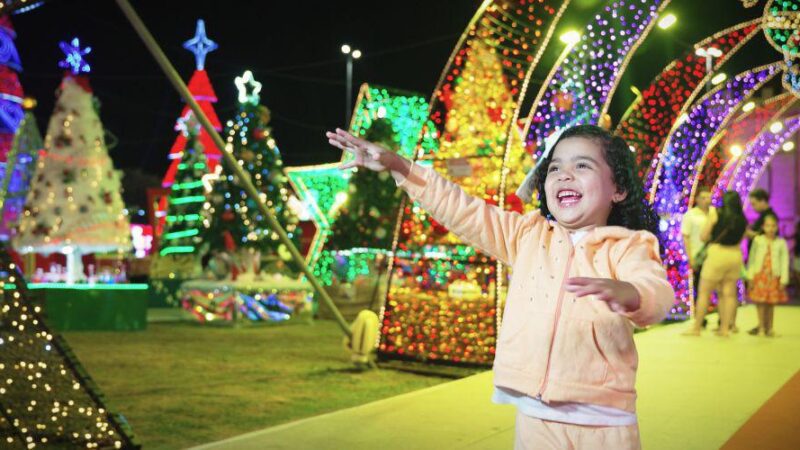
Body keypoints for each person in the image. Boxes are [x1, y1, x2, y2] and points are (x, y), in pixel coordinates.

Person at [327, 124, 674, 450]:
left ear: (619, 188)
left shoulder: (628, 246)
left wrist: (630, 294)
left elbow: (654, 292)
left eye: (582, 165)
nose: (564, 174)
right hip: (535, 417)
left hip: (605, 422)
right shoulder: (526, 235)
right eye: (554, 168)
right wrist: (399, 165)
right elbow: (463, 211)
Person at [685, 191, 748, 337]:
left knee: (704, 292)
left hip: (717, 254)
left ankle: (696, 328)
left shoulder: (716, 214)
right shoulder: (742, 219)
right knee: (729, 294)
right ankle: (725, 329)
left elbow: (703, 236)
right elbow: (741, 239)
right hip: (734, 255)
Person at [746, 213, 789, 336]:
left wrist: (784, 280)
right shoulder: (758, 240)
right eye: (767, 226)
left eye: (773, 226)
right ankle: (761, 327)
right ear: (763, 227)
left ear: (777, 227)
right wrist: (750, 277)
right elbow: (752, 259)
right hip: (760, 275)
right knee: (760, 303)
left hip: (774, 276)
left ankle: (769, 328)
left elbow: (784, 262)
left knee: (771, 304)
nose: (770, 229)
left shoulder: (781, 243)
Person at [681, 187, 713, 322]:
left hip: (714, 255)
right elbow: (686, 237)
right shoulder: (691, 215)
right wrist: (690, 257)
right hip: (698, 256)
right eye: (704, 197)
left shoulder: (714, 212)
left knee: (715, 287)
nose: (707, 200)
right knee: (699, 287)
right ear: (698, 199)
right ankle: (701, 318)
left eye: (709, 197)